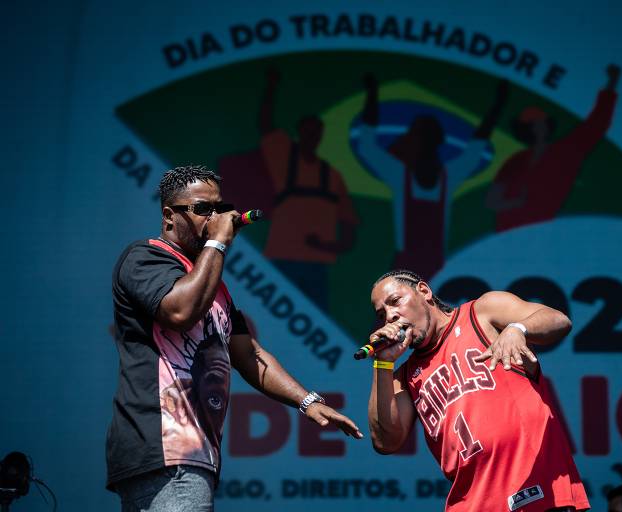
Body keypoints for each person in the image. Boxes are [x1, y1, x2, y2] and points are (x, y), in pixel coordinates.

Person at [106, 165, 363, 511]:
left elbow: (249, 354)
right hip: (164, 448)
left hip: (194, 454)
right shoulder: (146, 257)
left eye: (218, 208)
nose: (214, 217)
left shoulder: (214, 288)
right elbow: (179, 313)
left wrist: (308, 402)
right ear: (169, 216)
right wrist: (217, 242)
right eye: (202, 209)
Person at [367, 269, 588, 512]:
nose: (390, 316)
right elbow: (385, 442)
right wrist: (383, 363)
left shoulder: (481, 312)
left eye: (395, 301)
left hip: (538, 493)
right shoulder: (404, 377)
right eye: (381, 314)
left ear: (424, 291)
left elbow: (558, 320)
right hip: (471, 504)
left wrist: (518, 329)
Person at [358, 74, 508, 280]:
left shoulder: (449, 176)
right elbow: (367, 146)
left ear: (437, 143)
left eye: (429, 139)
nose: (424, 145)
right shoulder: (401, 176)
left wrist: (497, 107)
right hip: (405, 268)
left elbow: (477, 146)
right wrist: (372, 95)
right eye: (420, 138)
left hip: (436, 267)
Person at [258, 68, 359, 310]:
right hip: (282, 260)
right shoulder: (283, 159)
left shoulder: (332, 176)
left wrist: (327, 246)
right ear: (299, 133)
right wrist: (271, 86)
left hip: (316, 267)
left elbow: (349, 228)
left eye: (317, 131)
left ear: (322, 135)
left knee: (312, 321)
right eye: (307, 130)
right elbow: (265, 124)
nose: (312, 136)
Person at [486, 64, 621, 232]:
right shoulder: (515, 160)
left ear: (547, 126)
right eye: (531, 124)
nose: (537, 127)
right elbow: (492, 200)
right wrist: (514, 202)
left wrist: (612, 82)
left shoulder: (565, 152)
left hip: (539, 236)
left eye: (539, 122)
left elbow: (597, 123)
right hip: (507, 239)